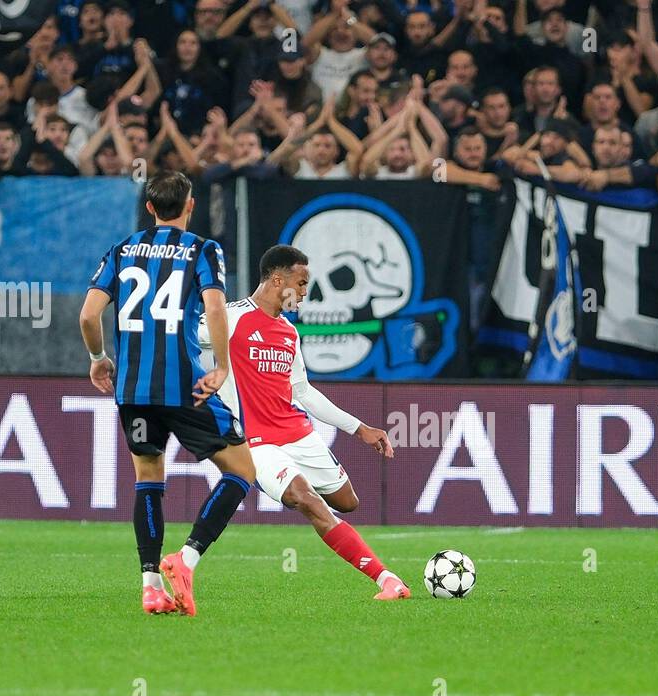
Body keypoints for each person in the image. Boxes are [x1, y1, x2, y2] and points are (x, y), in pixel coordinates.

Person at [79, 170, 256, 616]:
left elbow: (87, 316)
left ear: (151, 208)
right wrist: (221, 367)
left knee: (148, 479)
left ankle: (150, 585)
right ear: (190, 206)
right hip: (183, 385)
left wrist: (99, 357)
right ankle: (187, 555)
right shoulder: (203, 249)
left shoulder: (122, 250)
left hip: (133, 389)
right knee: (241, 472)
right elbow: (215, 306)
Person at [200, 244, 410, 601]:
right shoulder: (230, 317)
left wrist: (359, 428)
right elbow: (183, 334)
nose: (304, 293)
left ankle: (292, 486)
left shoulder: (288, 333)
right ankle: (388, 580)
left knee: (347, 502)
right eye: (301, 284)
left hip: (297, 433)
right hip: (255, 443)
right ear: (278, 280)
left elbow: (304, 392)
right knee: (309, 501)